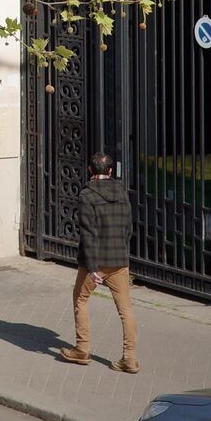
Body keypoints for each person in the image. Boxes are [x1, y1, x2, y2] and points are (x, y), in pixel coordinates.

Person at [61, 151, 138, 372]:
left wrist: (93, 267)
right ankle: (130, 358)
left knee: (81, 300)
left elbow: (88, 233)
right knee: (126, 309)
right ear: (111, 171)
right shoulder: (121, 192)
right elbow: (128, 228)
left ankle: (82, 349)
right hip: (118, 260)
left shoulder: (87, 195)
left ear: (90, 170)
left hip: (94, 261)